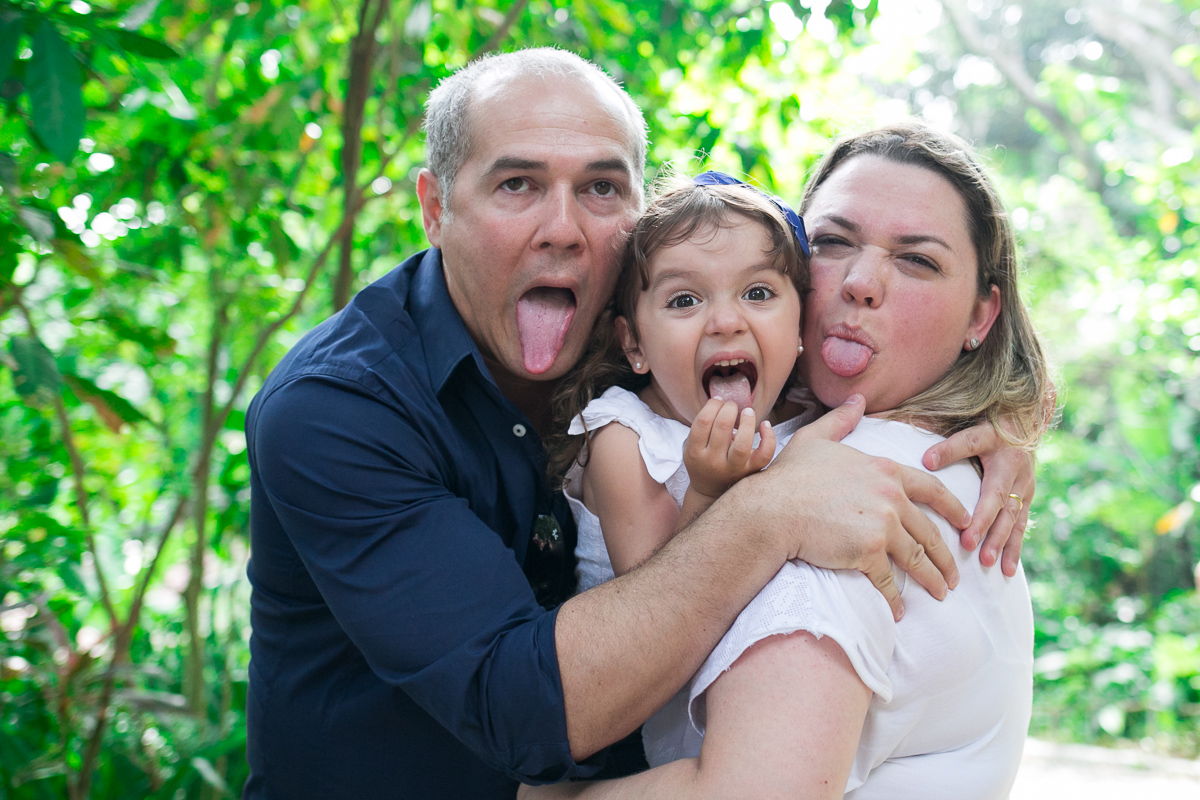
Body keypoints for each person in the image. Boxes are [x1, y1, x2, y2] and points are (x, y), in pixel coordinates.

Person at [242, 45, 1032, 798]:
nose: (564, 228)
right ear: (435, 207)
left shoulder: (647, 333)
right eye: (516, 184)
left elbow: (821, 319)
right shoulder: (337, 409)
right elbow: (520, 708)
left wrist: (989, 416)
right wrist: (770, 510)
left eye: (601, 189)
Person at [519, 122, 1053, 799]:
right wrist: (1012, 418)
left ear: (983, 315)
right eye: (832, 242)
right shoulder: (800, 434)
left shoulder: (844, 489)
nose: (860, 282)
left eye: (917, 260)